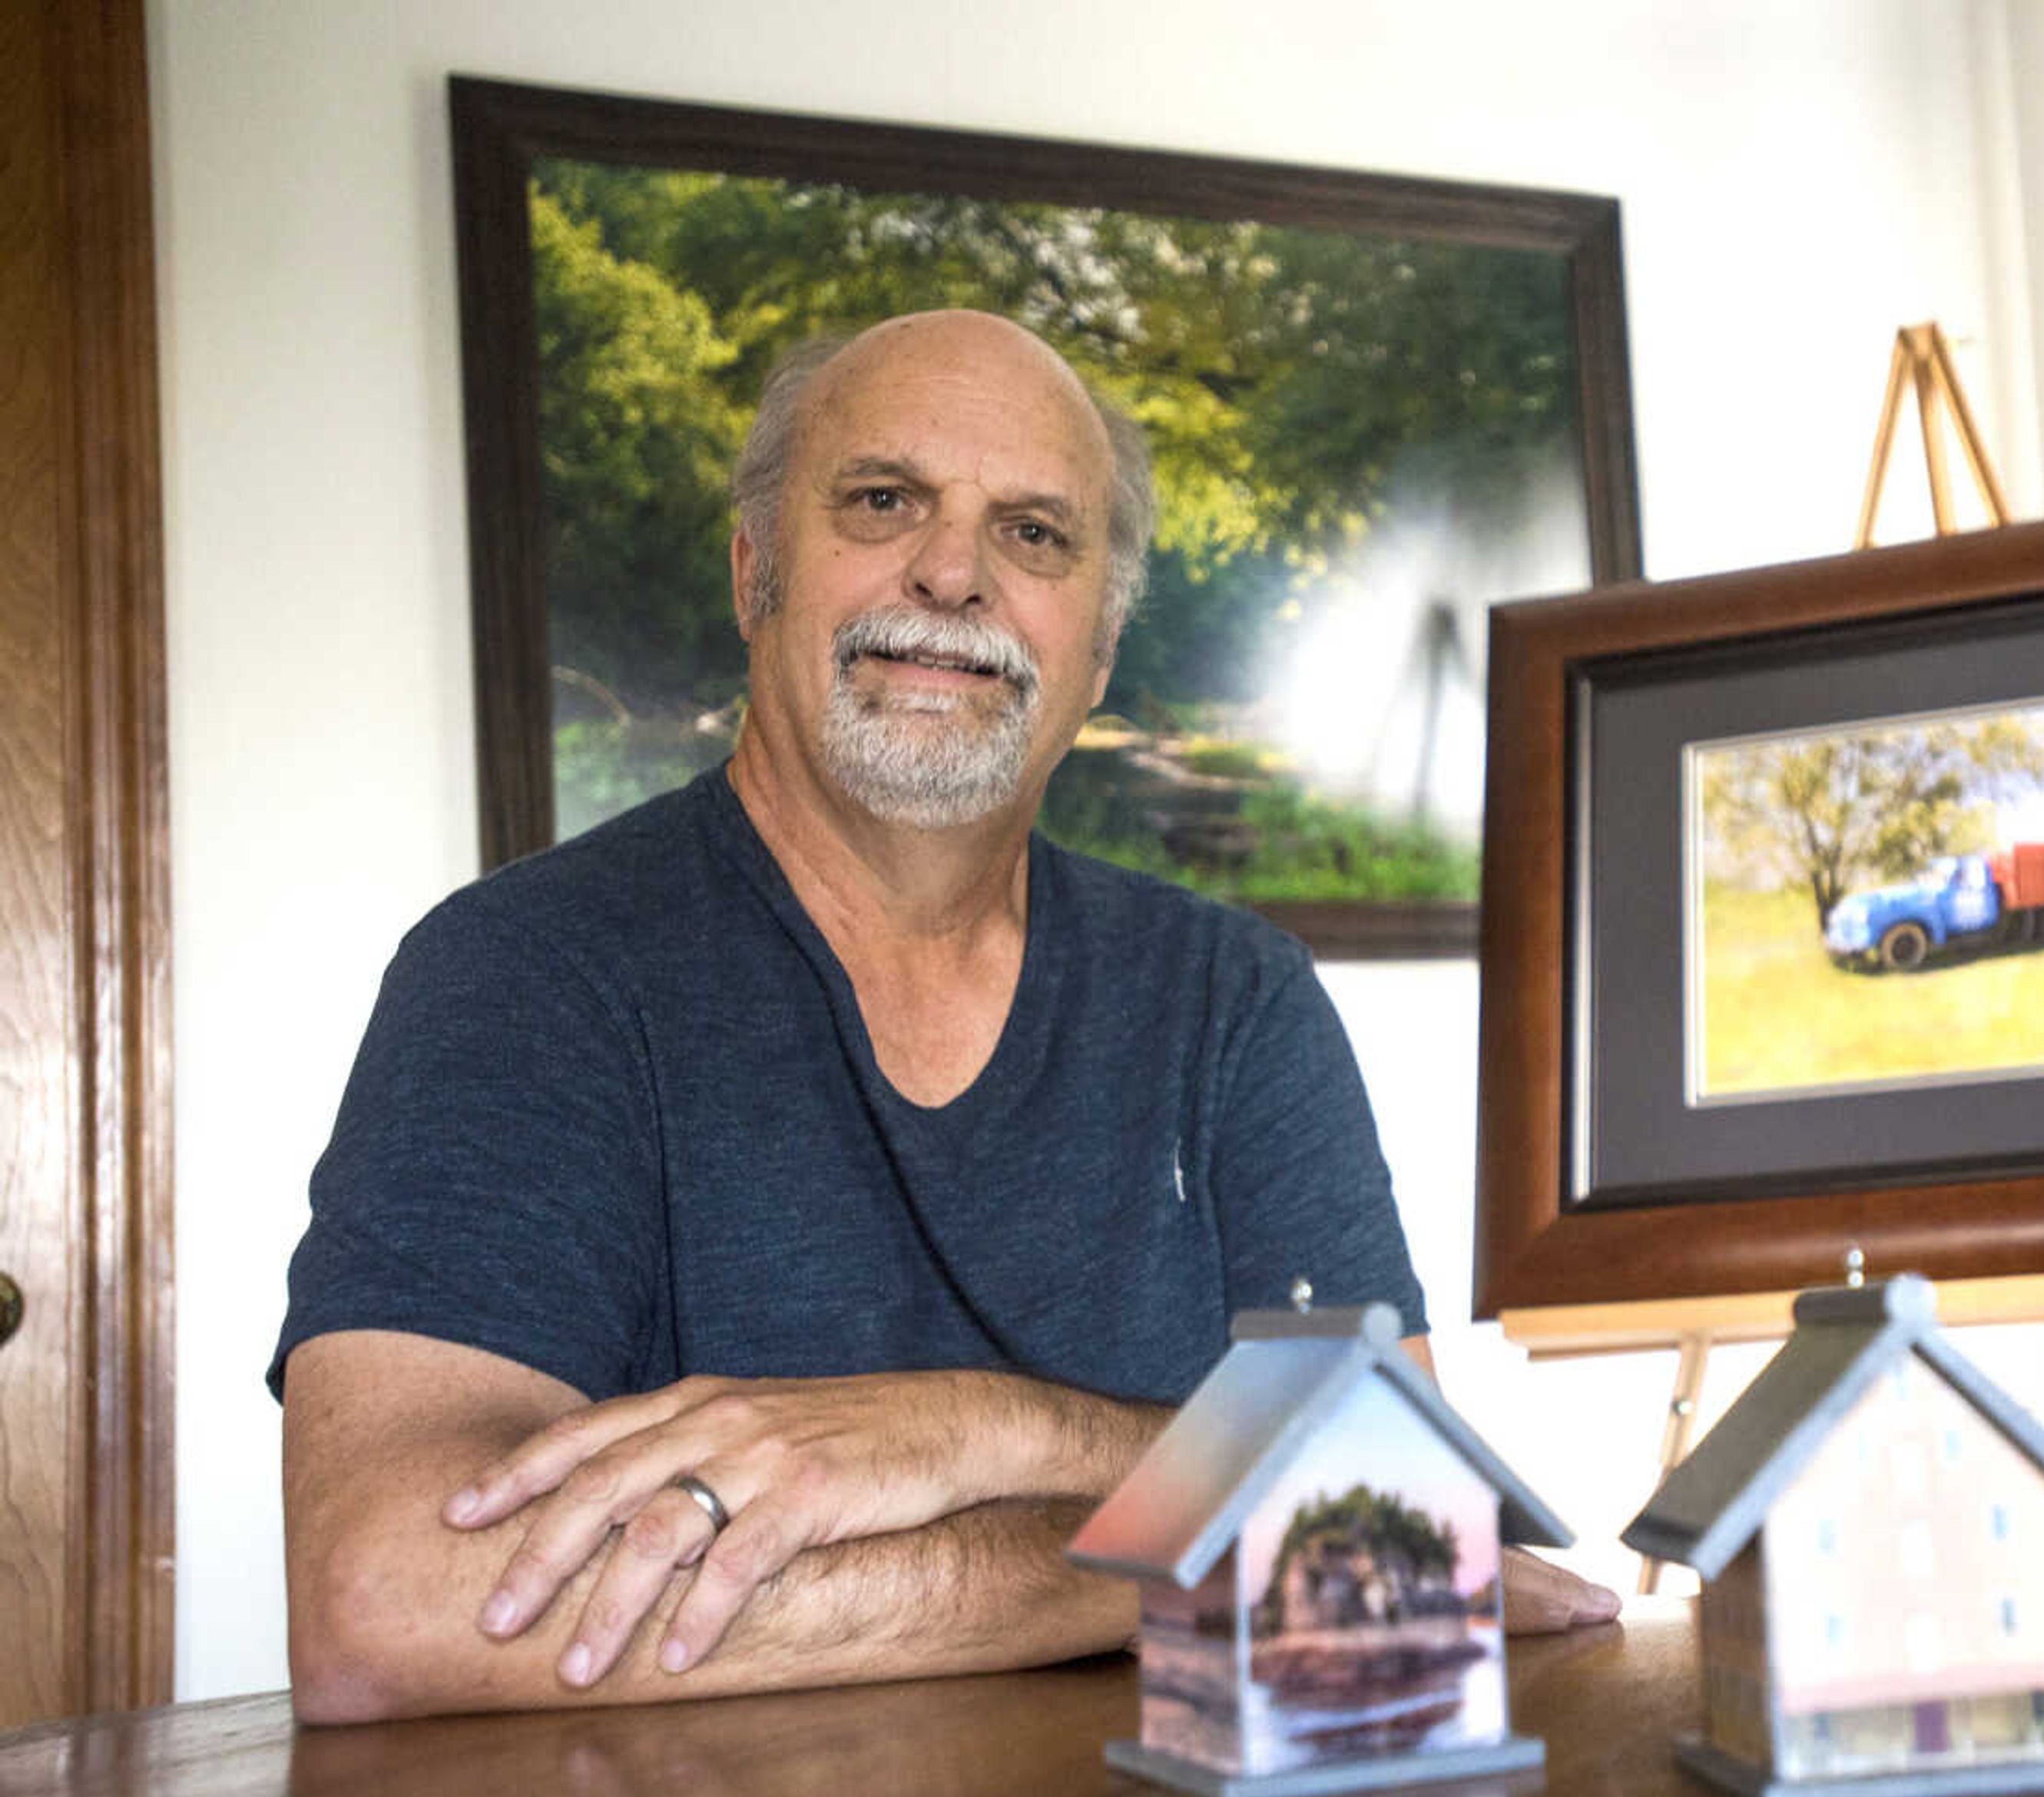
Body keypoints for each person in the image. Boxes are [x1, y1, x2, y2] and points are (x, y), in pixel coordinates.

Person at [276, 311, 1616, 1724]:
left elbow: (1408, 1514)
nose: (954, 571)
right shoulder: (525, 976)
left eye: (1035, 533)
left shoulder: (1235, 1004)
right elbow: (389, 1595)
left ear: (1097, 653)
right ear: (755, 573)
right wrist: (1167, 1565)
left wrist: (967, 1430)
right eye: (881, 500)